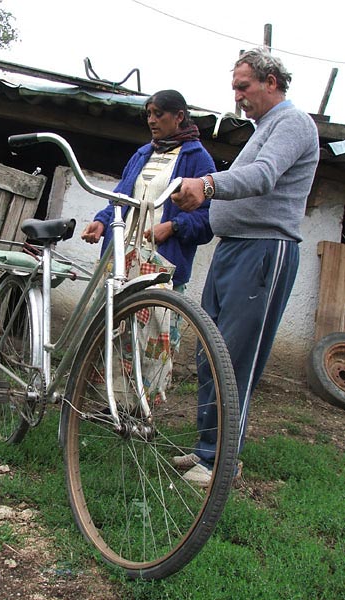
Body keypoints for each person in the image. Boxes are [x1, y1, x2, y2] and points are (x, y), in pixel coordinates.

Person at [171, 47, 320, 486]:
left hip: (263, 251)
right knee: (209, 351)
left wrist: (209, 183)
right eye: (234, 88)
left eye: (243, 86)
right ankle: (205, 450)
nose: (237, 97)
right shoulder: (264, 127)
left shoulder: (292, 123)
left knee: (235, 358)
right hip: (234, 248)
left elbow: (263, 176)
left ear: (270, 81)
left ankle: (221, 463)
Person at [81, 89, 216, 292]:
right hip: (120, 258)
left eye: (158, 114)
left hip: (160, 263)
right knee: (110, 321)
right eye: (149, 114)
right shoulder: (142, 155)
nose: (152, 120)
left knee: (153, 321)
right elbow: (119, 200)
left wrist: (173, 226)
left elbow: (208, 218)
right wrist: (102, 222)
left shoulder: (197, 158)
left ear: (179, 116)